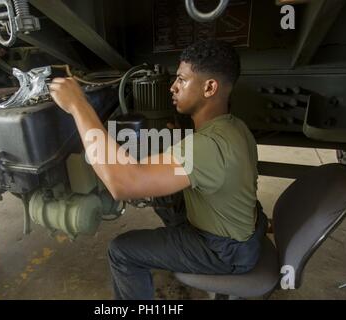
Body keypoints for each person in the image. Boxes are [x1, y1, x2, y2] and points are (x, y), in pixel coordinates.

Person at [49, 39, 267, 300]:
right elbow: (205, 160)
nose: (173, 87)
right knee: (165, 197)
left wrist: (78, 106)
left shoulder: (205, 147)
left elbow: (122, 184)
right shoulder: (235, 127)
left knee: (121, 251)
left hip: (225, 252)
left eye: (182, 80)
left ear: (209, 87)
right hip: (246, 233)